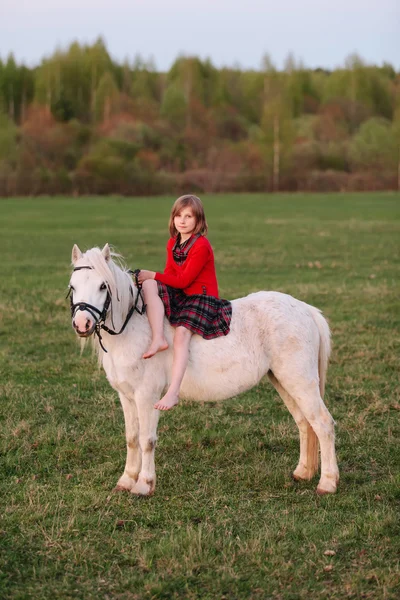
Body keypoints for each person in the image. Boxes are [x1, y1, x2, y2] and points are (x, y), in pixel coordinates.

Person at [137, 194, 232, 411]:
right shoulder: (173, 243)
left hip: (201, 297)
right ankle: (158, 338)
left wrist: (152, 273)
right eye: (178, 215)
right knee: (149, 286)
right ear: (173, 219)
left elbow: (184, 280)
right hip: (182, 294)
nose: (182, 220)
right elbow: (170, 274)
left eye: (189, 216)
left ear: (198, 221)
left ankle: (173, 392)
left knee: (181, 334)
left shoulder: (201, 246)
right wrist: (152, 279)